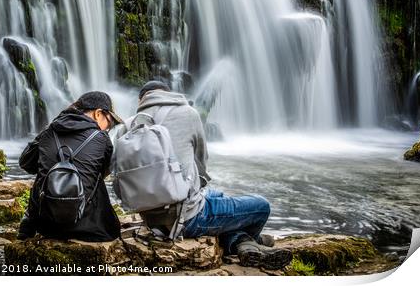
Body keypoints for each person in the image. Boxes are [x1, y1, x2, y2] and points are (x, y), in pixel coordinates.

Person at [114, 81, 292, 269]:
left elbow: (119, 178)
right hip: (187, 219)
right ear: (168, 94)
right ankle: (243, 241)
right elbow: (201, 163)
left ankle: (244, 243)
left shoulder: (127, 126)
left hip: (150, 220)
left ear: (141, 99)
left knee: (216, 195)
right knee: (261, 206)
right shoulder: (188, 114)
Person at [17, 91, 124, 242]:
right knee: (94, 177)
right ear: (98, 113)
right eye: (110, 122)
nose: (108, 128)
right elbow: (105, 172)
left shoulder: (49, 131)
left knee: (47, 174)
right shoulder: (102, 138)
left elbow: (26, 163)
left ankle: (28, 223)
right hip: (90, 229)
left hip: (46, 225)